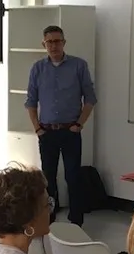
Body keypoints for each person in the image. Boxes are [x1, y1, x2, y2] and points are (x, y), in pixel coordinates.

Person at [25, 25, 96, 227]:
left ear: (64, 42)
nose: (54, 45)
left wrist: (79, 124)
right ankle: (49, 219)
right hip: (47, 132)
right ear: (44, 44)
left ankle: (76, 222)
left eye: (58, 41)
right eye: (50, 42)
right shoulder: (38, 68)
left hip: (70, 131)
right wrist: (37, 128)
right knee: (48, 178)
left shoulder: (78, 66)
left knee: (73, 177)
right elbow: (31, 101)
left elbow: (90, 99)